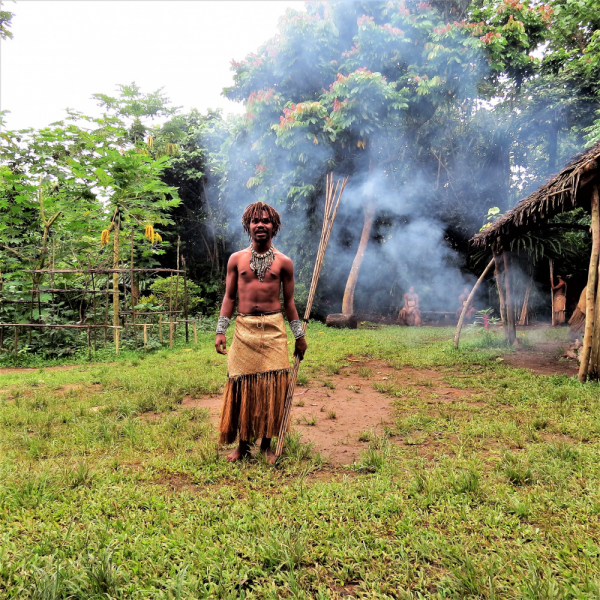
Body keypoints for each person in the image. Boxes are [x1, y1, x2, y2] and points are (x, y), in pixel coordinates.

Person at [215, 201, 307, 464]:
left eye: (266, 221)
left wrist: (299, 336)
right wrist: (221, 331)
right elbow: (229, 297)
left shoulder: (284, 263)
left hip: (274, 329)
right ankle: (243, 445)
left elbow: (289, 303)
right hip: (243, 329)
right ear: (248, 225)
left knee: (272, 387)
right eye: (256, 221)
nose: (261, 225)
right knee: (241, 384)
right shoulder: (236, 259)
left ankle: (267, 444)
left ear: (274, 226)